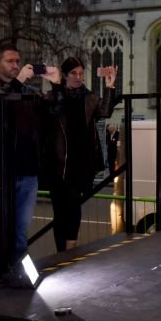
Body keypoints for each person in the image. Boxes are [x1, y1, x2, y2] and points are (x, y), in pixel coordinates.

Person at [0, 44, 57, 284]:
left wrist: (57, 85)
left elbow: (54, 114)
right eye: (10, 61)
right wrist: (16, 83)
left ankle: (18, 277)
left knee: (20, 233)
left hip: (26, 169)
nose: (16, 65)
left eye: (18, 61)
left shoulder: (26, 91)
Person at [41, 58, 118, 251]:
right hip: (58, 161)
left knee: (74, 205)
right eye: (74, 73)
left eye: (81, 74)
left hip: (81, 160)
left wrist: (110, 86)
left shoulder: (89, 97)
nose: (78, 77)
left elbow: (105, 111)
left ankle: (71, 247)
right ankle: (61, 252)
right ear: (65, 75)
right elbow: (51, 113)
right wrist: (57, 86)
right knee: (59, 211)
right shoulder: (53, 96)